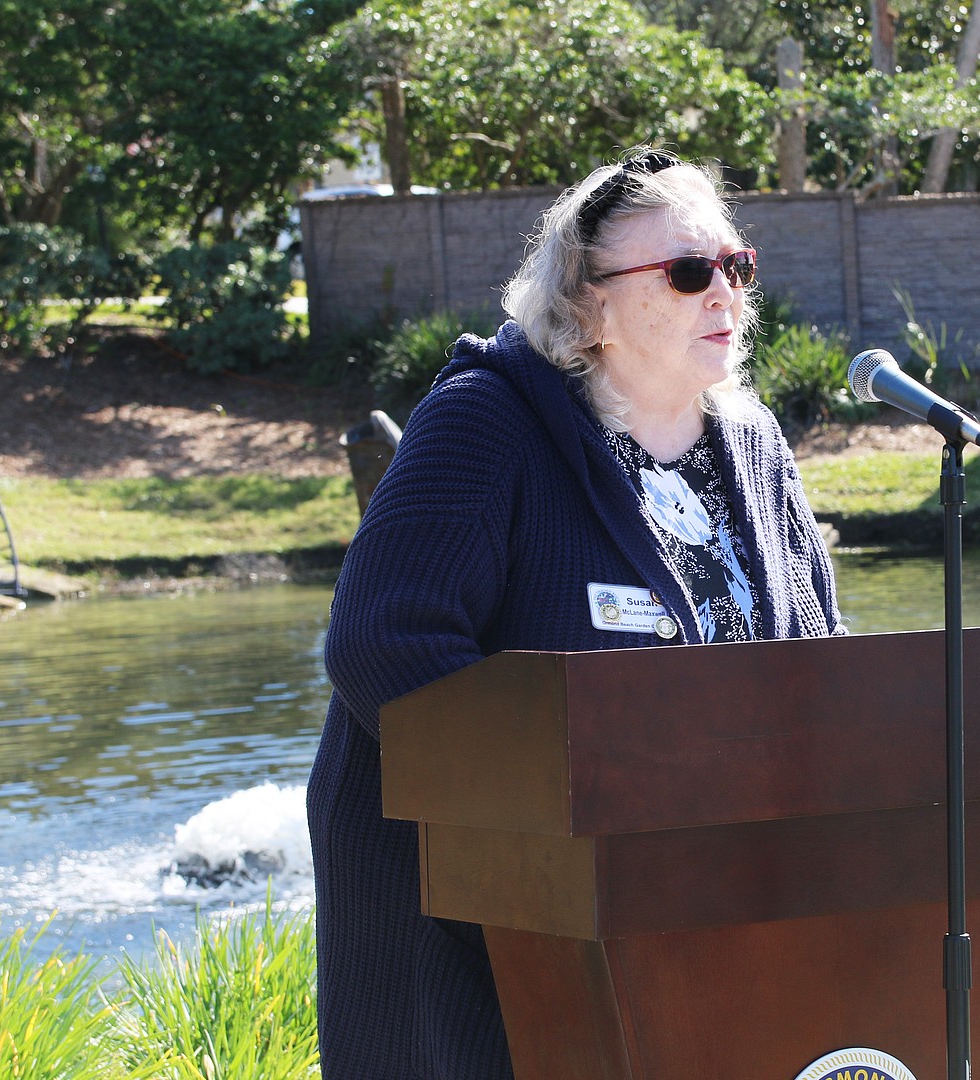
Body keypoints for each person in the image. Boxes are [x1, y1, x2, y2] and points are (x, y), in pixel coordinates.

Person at [306, 149, 845, 1078]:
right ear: (588, 304)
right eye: (687, 272)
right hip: (480, 917)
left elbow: (819, 659)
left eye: (737, 265)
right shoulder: (487, 420)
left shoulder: (753, 443)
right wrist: (571, 804)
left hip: (689, 908)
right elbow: (381, 644)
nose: (725, 293)